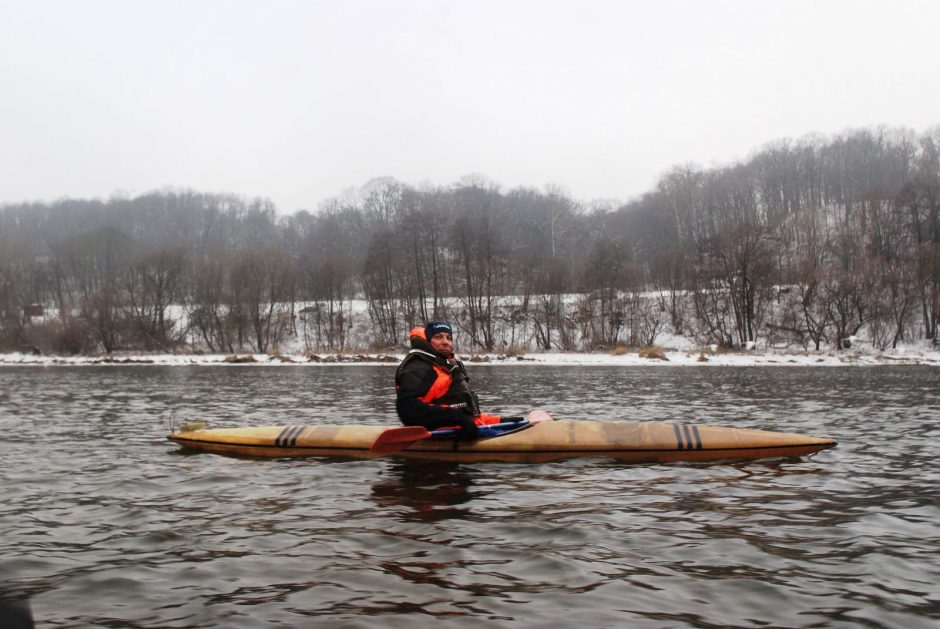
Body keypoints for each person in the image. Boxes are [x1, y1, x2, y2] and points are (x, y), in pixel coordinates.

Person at [395, 321, 508, 440]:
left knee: (512, 424)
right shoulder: (418, 367)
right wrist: (458, 418)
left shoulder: (449, 366)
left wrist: (498, 420)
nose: (445, 342)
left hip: (459, 427)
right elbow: (407, 409)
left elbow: (467, 414)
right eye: (438, 337)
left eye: (449, 338)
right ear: (428, 341)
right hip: (438, 433)